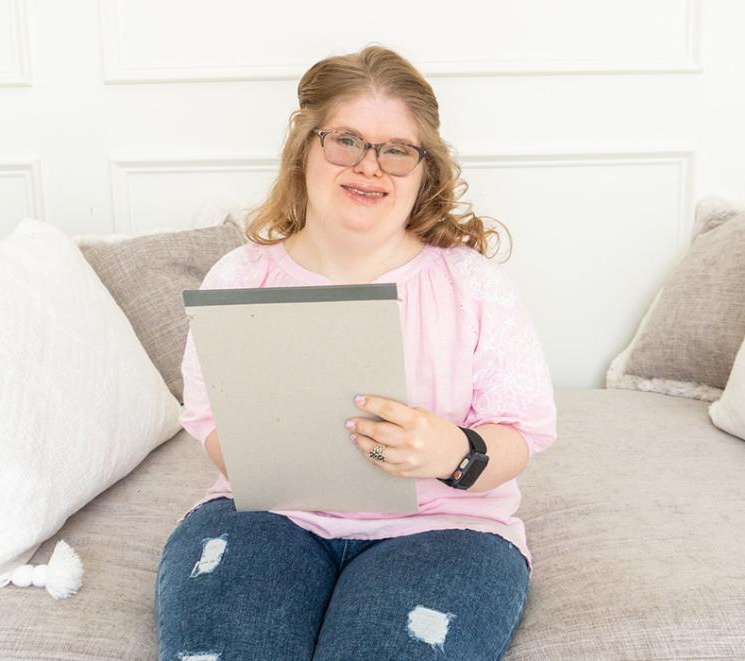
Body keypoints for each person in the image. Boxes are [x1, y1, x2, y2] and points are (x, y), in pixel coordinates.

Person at [155, 45, 557, 661]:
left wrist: (454, 452)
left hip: (445, 527)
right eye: (346, 141)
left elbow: (523, 434)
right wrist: (276, 455)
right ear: (305, 149)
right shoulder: (241, 277)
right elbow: (209, 417)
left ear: (424, 168)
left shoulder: (471, 284)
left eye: (396, 150)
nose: (371, 167)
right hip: (267, 518)